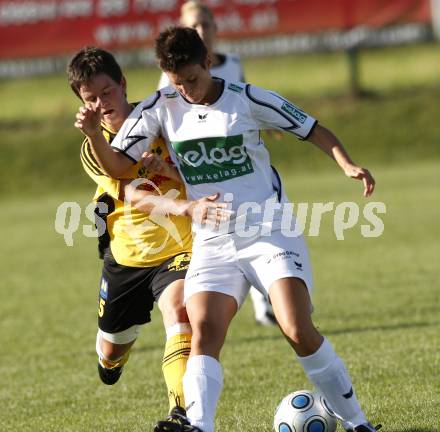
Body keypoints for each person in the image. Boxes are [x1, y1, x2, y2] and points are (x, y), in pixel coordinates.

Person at [78, 27, 381, 432]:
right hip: (213, 238)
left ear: (208, 62)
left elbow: (311, 128)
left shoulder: (247, 99)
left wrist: (346, 163)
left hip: (267, 230)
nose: (186, 90)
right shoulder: (159, 106)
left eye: (192, 79)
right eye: (176, 81)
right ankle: (199, 425)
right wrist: (95, 134)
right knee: (203, 330)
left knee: (296, 327)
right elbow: (116, 168)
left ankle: (358, 423)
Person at [67, 46, 229, 431]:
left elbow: (193, 172)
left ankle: (183, 412)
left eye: (107, 92)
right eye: (90, 99)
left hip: (181, 246)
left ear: (122, 84)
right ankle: (113, 357)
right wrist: (183, 205)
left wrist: (172, 171)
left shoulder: (161, 117)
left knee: (181, 312)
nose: (102, 103)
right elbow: (133, 195)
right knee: (110, 349)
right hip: (128, 255)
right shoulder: (95, 150)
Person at [159, 0, 276, 327]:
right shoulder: (171, 76)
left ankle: (267, 298)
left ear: (215, 28)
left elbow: (241, 101)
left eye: (205, 25)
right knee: (222, 228)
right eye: (192, 26)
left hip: (236, 159)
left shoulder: (232, 62)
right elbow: (164, 120)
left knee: (260, 215)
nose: (201, 31)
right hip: (199, 167)